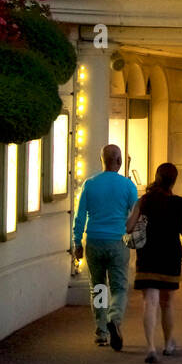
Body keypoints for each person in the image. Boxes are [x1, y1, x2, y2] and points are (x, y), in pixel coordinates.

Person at [72, 144, 139, 350]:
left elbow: (80, 215)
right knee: (119, 287)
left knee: (99, 286)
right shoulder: (128, 186)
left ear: (101, 160)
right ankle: (114, 317)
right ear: (119, 161)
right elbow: (136, 215)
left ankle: (101, 331)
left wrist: (77, 242)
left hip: (94, 241)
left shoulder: (89, 184)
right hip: (118, 241)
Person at [125, 162, 182, 364]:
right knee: (167, 302)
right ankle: (169, 343)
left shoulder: (144, 200)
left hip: (148, 254)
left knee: (150, 302)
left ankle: (151, 347)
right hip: (170, 255)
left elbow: (128, 227)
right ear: (174, 181)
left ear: (157, 177)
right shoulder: (181, 203)